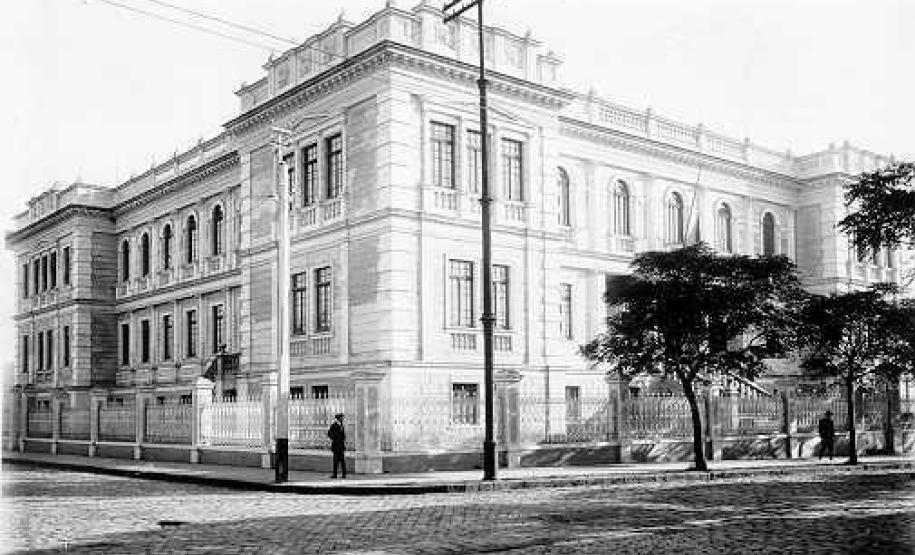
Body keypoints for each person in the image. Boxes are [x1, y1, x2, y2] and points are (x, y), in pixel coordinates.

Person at [327, 412, 346, 478]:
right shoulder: (334, 425)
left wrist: (343, 441)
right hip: (336, 446)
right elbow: (329, 433)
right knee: (335, 461)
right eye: (342, 417)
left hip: (341, 446)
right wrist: (335, 438)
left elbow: (343, 435)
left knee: (342, 461)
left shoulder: (342, 425)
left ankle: (344, 474)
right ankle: (335, 474)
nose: (343, 418)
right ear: (339, 418)